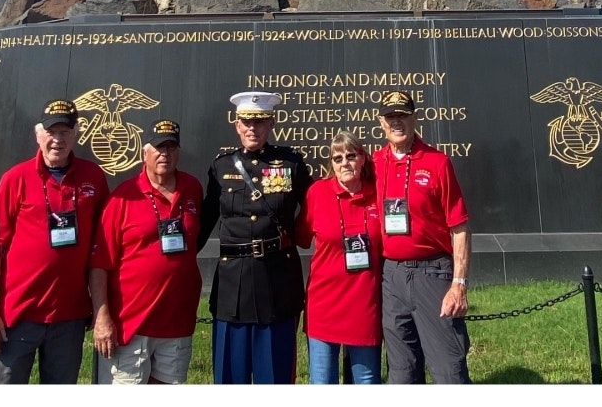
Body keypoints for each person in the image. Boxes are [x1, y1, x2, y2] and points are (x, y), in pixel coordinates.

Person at [0, 99, 110, 384]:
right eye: (51, 132)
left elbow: (102, 250)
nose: (57, 140)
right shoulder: (15, 179)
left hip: (69, 317)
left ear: (75, 135)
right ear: (38, 134)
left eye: (65, 132)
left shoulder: (94, 178)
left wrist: (100, 311)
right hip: (17, 316)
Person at [198, 90, 311, 384]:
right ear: (237, 125)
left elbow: (316, 208)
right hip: (232, 285)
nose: (253, 128)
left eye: (260, 122)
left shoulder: (291, 163)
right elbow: (205, 220)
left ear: (271, 123)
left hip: (276, 281)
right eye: (246, 122)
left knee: (273, 378)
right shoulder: (221, 167)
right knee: (230, 377)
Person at [89, 119, 202, 385]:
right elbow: (99, 264)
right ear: (145, 152)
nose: (166, 154)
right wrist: (102, 317)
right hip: (132, 324)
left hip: (177, 323)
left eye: (172, 147)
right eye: (159, 147)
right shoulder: (123, 198)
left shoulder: (192, 188)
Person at [372, 90, 472, 384]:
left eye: (402, 115)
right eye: (391, 116)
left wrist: (459, 284)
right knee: (402, 372)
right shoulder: (375, 163)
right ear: (381, 122)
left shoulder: (437, 162)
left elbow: (460, 227)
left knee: (448, 369)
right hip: (392, 277)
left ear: (415, 118)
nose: (397, 122)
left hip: (433, 272)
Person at [295, 131, 384, 384]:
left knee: (366, 381)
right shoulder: (317, 193)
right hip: (324, 304)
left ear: (362, 158)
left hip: (364, 304)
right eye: (337, 158)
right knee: (323, 383)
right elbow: (301, 237)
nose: (344, 162)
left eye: (350, 155)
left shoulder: (378, 194)